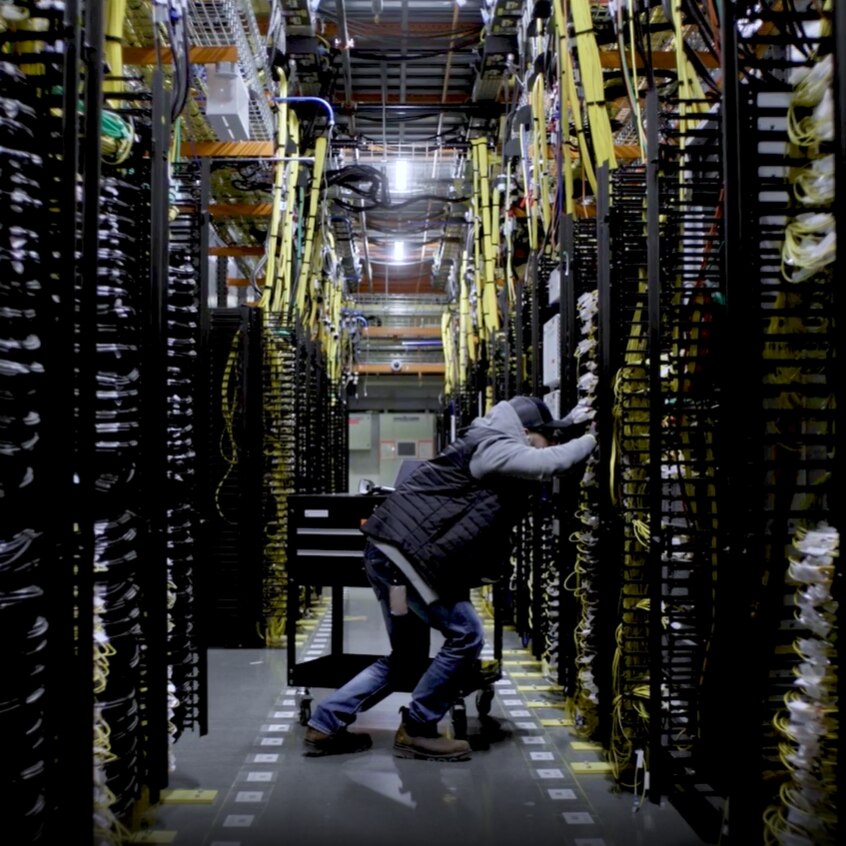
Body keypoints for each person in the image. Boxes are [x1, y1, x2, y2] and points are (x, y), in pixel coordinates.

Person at [303, 395, 597, 761]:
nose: (550, 443)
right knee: (466, 634)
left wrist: (569, 423)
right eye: (545, 436)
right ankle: (418, 728)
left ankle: (325, 723)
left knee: (407, 657)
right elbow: (547, 463)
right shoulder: (493, 448)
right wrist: (591, 439)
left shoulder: (492, 439)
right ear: (524, 433)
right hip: (407, 561)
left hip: (392, 557)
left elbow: (537, 452)